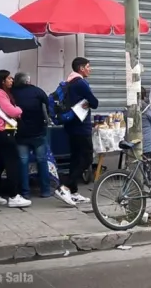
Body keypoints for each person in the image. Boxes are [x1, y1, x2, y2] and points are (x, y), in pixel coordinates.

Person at [54, 57, 99, 205]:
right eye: (88, 66)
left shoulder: (69, 82)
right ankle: (65, 187)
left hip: (71, 126)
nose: (90, 69)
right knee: (86, 158)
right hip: (81, 127)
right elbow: (95, 102)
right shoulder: (81, 83)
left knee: (75, 158)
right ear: (81, 68)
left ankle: (73, 192)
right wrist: (88, 102)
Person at [0, 70, 31, 208]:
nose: (11, 81)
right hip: (5, 131)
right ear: (2, 81)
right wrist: (18, 109)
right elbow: (12, 111)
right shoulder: (0, 93)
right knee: (13, 163)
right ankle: (14, 195)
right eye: (9, 78)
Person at [11, 72, 52, 199]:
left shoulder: (11, 93)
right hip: (38, 133)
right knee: (41, 160)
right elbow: (49, 106)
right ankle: (45, 190)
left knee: (23, 162)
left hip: (21, 133)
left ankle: (25, 192)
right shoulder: (38, 91)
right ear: (28, 81)